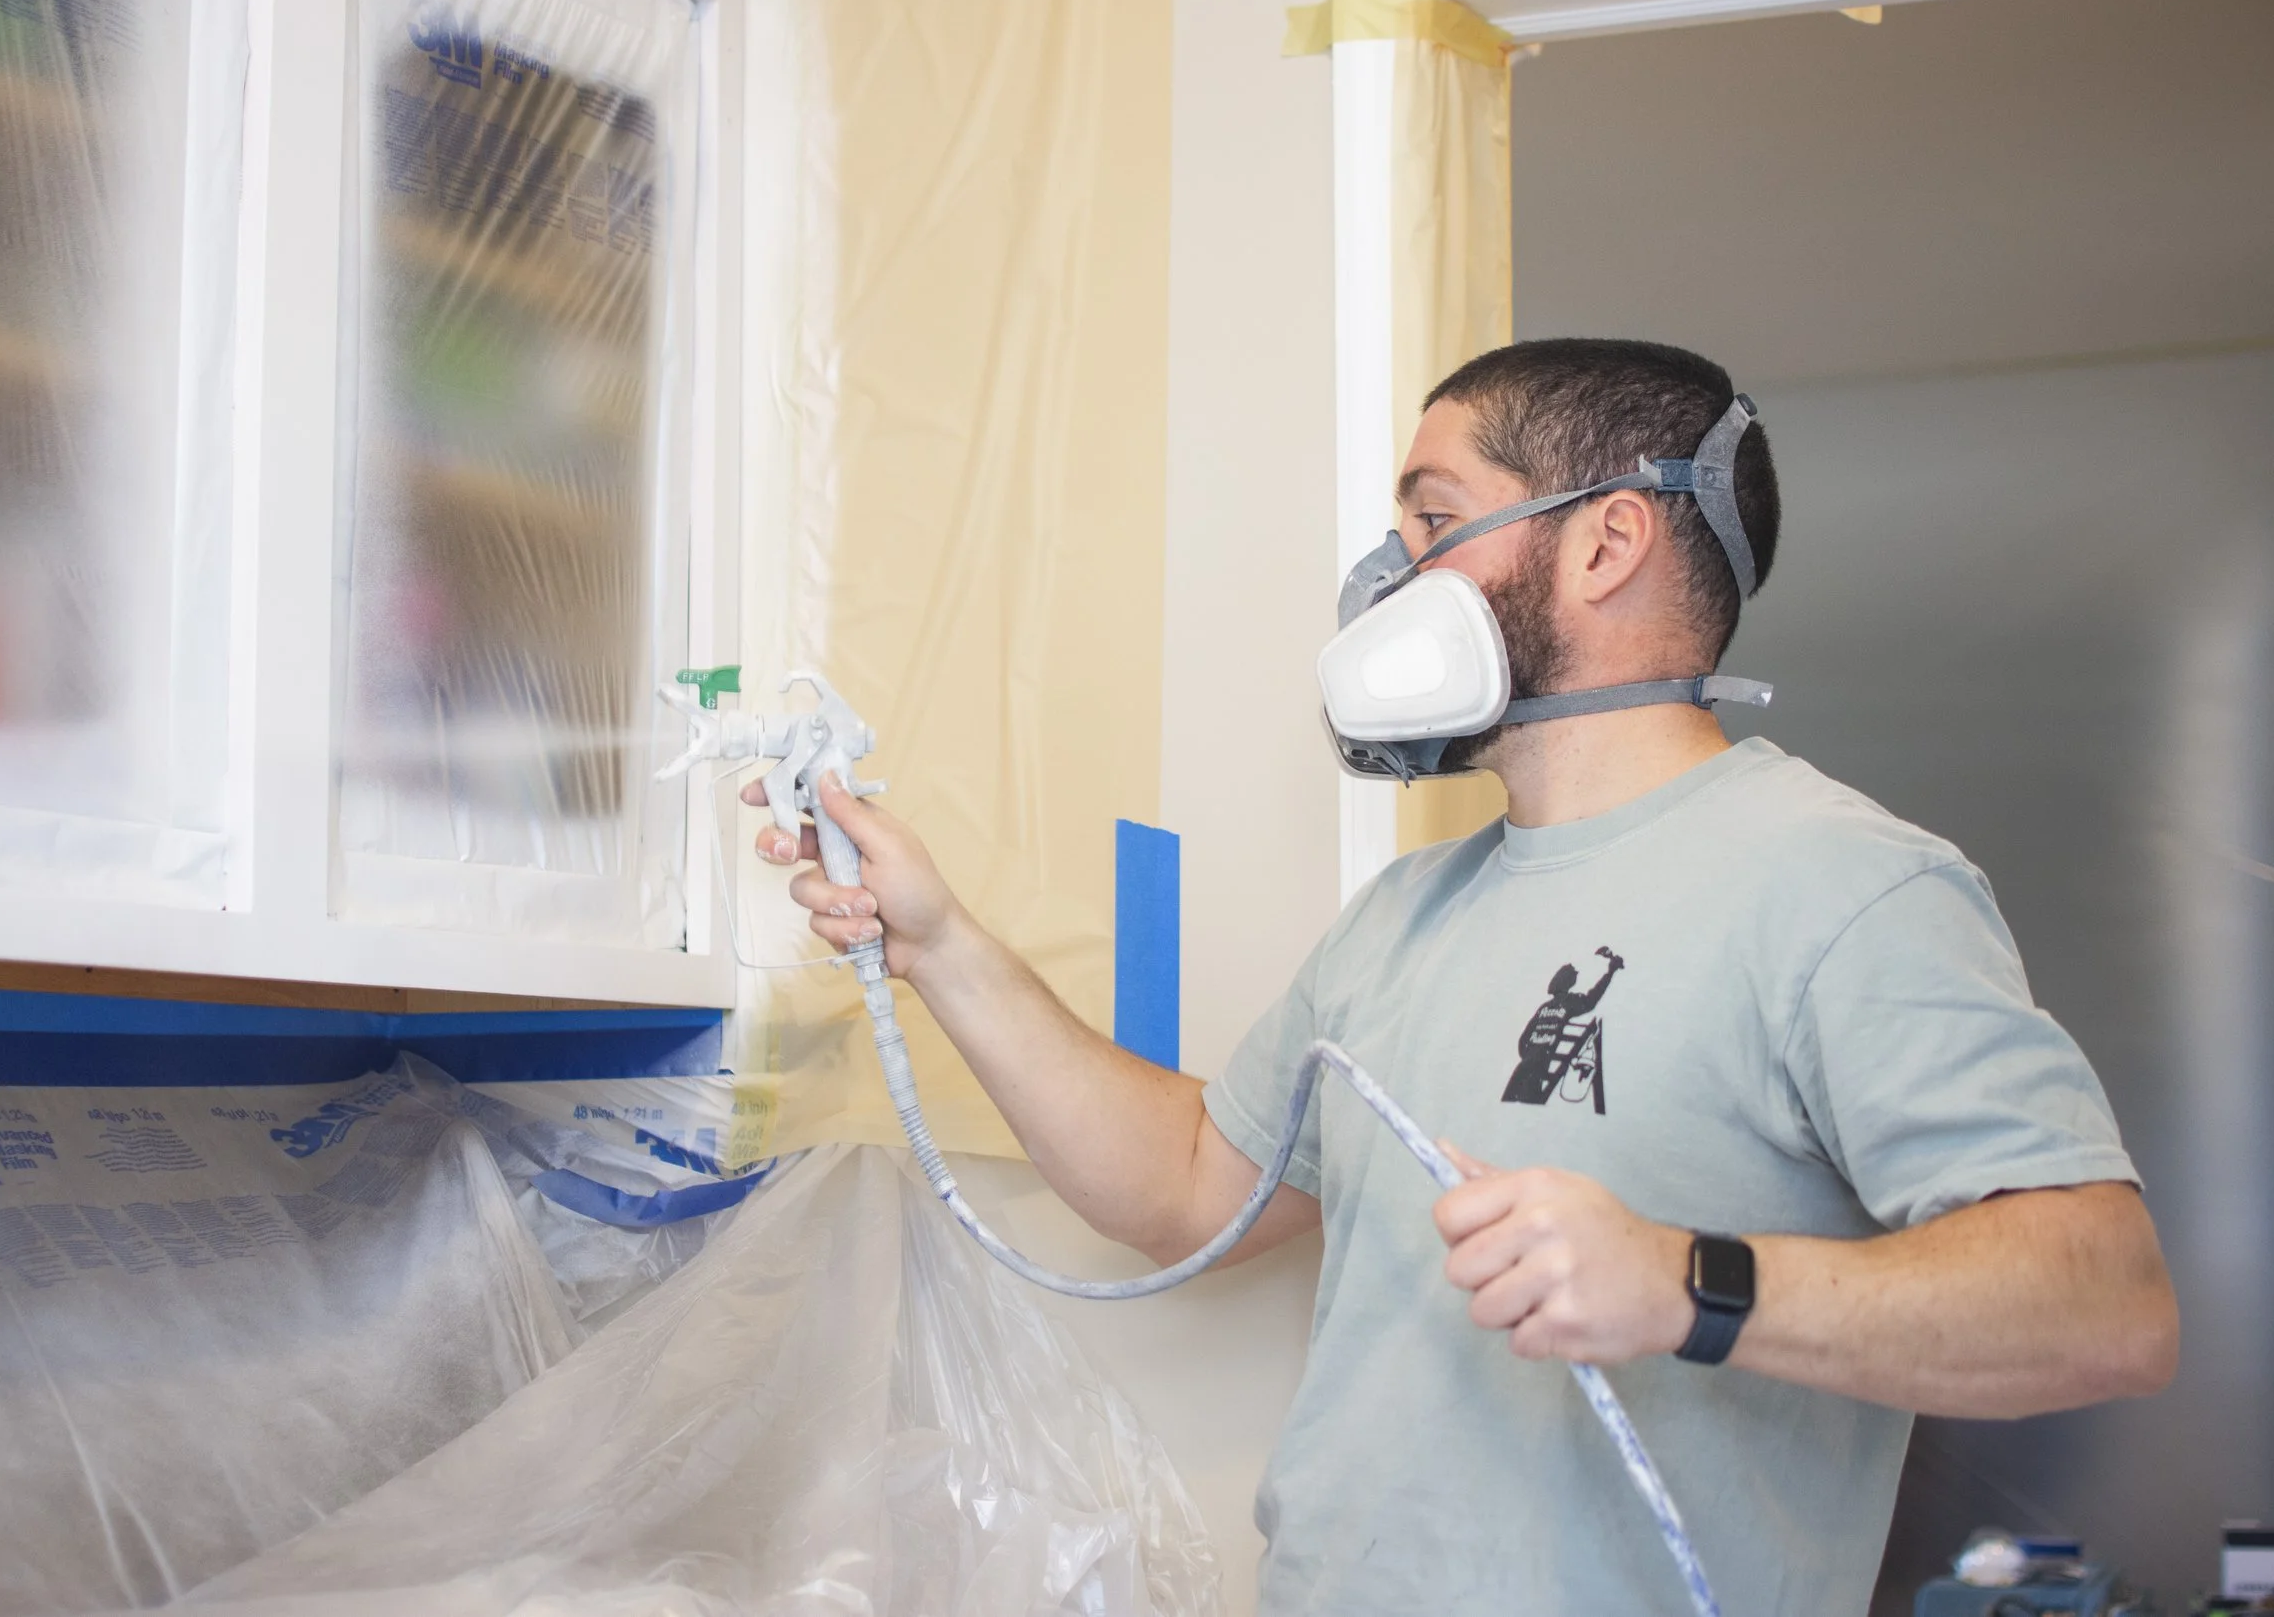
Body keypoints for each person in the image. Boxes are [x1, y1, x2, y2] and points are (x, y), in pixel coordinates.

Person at [748, 338, 2178, 1616]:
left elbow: (2106, 1304)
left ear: (1608, 540)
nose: (1390, 582)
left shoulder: (1841, 885)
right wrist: (934, 941)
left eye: (1433, 522)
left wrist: (1689, 1285)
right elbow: (1188, 1181)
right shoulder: (1407, 913)